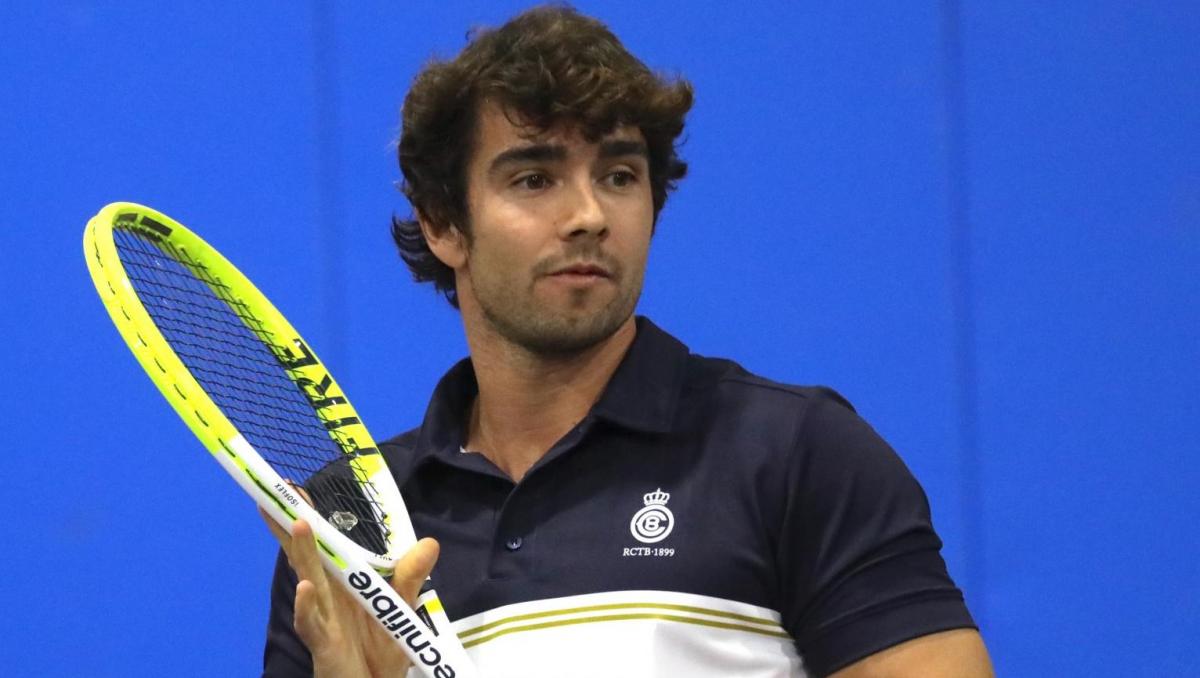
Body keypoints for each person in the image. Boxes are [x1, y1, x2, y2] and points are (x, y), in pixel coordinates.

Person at [262, 6, 993, 677]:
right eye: (534, 179)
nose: (589, 215)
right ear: (444, 225)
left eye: (618, 175)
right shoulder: (351, 524)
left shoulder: (798, 454)